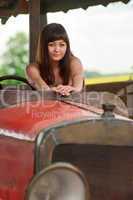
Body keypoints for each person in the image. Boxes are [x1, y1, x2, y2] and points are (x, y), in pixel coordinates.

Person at [26, 23, 84, 96]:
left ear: (67, 46)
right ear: (43, 47)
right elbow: (43, 88)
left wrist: (72, 89)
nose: (57, 49)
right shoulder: (32, 68)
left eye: (62, 45)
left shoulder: (74, 62)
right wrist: (52, 91)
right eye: (51, 45)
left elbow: (78, 87)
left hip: (73, 105)